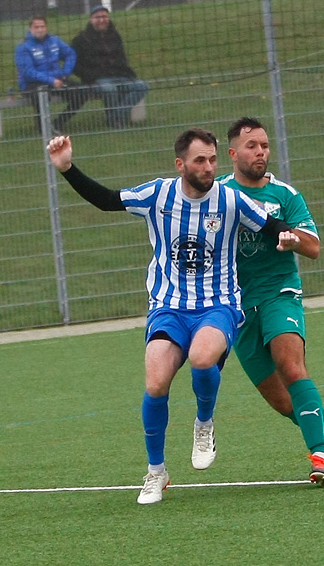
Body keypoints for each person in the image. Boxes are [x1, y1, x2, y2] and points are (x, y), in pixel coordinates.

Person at [46, 128, 298, 505]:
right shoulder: (158, 195)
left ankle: (204, 423)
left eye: (213, 159)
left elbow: (269, 223)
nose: (209, 167)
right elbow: (106, 200)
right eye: (200, 160)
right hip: (168, 307)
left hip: (219, 304)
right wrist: (67, 168)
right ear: (181, 164)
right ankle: (156, 472)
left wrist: (286, 236)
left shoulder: (231, 200)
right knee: (155, 383)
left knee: (201, 357)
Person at [219, 117, 324, 485]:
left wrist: (292, 238)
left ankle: (321, 458)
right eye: (252, 146)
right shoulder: (217, 193)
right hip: (236, 306)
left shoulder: (285, 195)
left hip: (279, 292)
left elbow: (314, 246)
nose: (261, 152)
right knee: (285, 403)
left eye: (265, 145)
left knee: (291, 366)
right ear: (233, 152)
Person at [71, 5, 150, 128]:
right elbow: (75, 65)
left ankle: (115, 116)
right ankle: (115, 121)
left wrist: (129, 74)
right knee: (110, 89)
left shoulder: (115, 36)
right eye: (98, 17)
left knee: (142, 86)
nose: (102, 20)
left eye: (104, 16)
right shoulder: (81, 39)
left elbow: (122, 58)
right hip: (97, 79)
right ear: (91, 19)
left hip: (120, 75)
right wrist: (89, 76)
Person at [14, 16, 88, 133]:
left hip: (56, 79)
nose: (40, 29)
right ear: (30, 29)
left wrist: (66, 72)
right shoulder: (23, 48)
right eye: (36, 27)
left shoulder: (55, 41)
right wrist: (51, 80)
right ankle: (43, 128)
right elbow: (28, 72)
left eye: (42, 26)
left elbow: (70, 54)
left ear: (46, 27)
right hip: (32, 83)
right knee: (42, 96)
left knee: (81, 93)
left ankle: (58, 123)